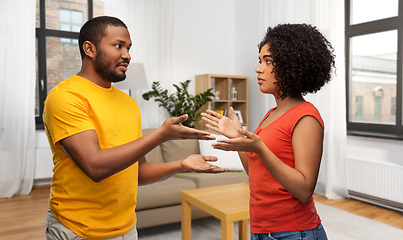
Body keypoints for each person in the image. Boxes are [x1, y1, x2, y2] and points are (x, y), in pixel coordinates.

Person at [43, 16, 227, 240]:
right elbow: (95, 167)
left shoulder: (129, 104)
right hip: (77, 230)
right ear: (89, 49)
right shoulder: (65, 97)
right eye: (118, 46)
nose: (127, 55)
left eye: (128, 48)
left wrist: (181, 164)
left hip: (127, 229)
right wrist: (161, 135)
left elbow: (137, 172)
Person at [202, 23, 335, 240]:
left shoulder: (306, 117)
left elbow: (304, 190)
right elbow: (256, 172)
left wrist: (261, 149)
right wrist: (238, 139)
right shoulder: (271, 114)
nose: (259, 68)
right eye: (260, 60)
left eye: (269, 61)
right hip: (262, 230)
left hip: (294, 232)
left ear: (292, 65)